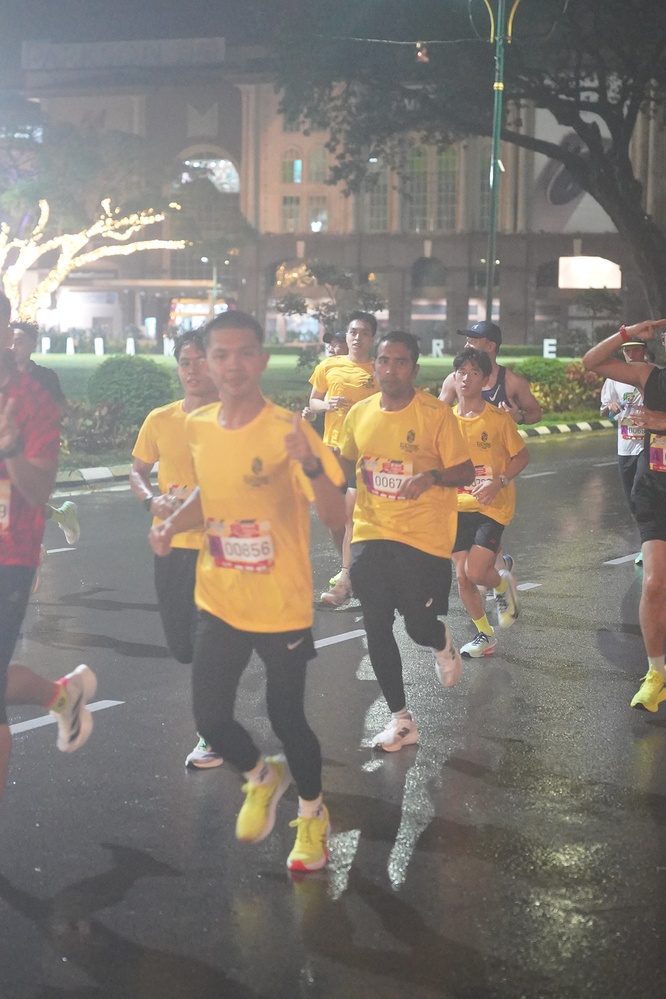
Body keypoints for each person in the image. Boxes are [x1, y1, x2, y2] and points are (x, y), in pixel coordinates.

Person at [149, 310, 346, 872]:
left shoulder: (289, 430)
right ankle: (262, 777)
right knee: (210, 719)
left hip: (280, 605)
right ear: (208, 364)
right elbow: (208, 494)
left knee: (287, 719)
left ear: (261, 360)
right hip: (219, 599)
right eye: (220, 354)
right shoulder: (198, 426)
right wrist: (172, 525)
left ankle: (312, 815)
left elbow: (335, 513)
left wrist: (310, 465)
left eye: (243, 353)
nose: (232, 364)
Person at [337, 331, 475, 752]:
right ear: (374, 365)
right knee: (375, 625)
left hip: (423, 540)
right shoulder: (359, 414)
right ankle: (401, 720)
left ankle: (440, 640)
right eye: (384, 361)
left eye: (400, 362)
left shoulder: (435, 415)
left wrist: (431, 476)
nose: (390, 369)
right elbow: (344, 466)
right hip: (371, 534)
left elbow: (466, 471)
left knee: (416, 626)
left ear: (414, 370)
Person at [0, 293, 96, 801]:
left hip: (8, 556)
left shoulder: (32, 400)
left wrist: (11, 449)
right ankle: (63, 695)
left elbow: (40, 491)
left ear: (6, 334)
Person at [131, 329, 222, 770]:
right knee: (183, 647)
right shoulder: (161, 419)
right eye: (185, 362)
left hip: (218, 551)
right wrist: (151, 500)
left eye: (201, 360)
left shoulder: (231, 419)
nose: (193, 370)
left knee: (207, 646)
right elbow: (138, 471)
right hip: (171, 548)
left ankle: (211, 733)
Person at [583, 319, 666, 713]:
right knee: (653, 584)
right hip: (655, 492)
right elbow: (591, 362)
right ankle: (656, 674)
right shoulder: (651, 376)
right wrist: (628, 333)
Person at [450, 348, 529, 657]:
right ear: (454, 377)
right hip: (455, 506)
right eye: (461, 372)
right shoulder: (445, 420)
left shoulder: (498, 419)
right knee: (462, 577)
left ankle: (501, 585)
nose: (466, 378)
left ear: (484, 380)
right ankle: (485, 635)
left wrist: (499, 481)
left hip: (492, 505)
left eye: (474, 373)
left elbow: (521, 456)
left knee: (476, 571)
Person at [308, 311, 379, 606]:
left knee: (350, 517)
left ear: (372, 338)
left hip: (363, 454)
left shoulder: (377, 369)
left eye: (364, 333)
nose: (357, 338)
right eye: (353, 332)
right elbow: (313, 401)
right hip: (332, 451)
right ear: (346, 335)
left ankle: (346, 580)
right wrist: (326, 405)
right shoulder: (329, 365)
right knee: (334, 522)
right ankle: (353, 571)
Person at [10, 322, 80, 546]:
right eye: (10, 340)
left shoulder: (45, 377)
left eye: (20, 341)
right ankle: (62, 516)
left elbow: (60, 409)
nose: (13, 345)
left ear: (33, 344)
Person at [600, 337, 649, 565]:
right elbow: (604, 410)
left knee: (642, 492)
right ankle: (646, 543)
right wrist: (609, 407)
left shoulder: (653, 374)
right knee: (632, 500)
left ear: (644, 351)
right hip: (625, 446)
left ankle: (651, 545)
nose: (630, 354)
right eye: (626, 351)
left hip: (650, 445)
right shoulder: (614, 378)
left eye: (635, 350)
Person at [439, 321, 543, 425]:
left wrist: (519, 418)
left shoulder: (512, 381)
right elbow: (438, 414)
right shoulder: (454, 379)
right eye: (467, 341)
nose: (467, 346)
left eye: (473, 342)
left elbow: (536, 413)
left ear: (490, 346)